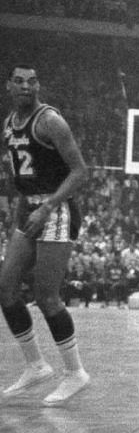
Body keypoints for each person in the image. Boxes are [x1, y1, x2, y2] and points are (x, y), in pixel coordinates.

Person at [1, 65, 90, 405]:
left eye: (33, 81)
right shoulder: (9, 123)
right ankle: (36, 365)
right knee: (6, 289)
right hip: (28, 208)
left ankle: (75, 372)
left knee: (46, 295)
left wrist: (48, 205)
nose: (26, 86)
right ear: (9, 86)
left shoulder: (50, 120)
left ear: (39, 85)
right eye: (19, 81)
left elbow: (81, 171)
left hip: (56, 207)